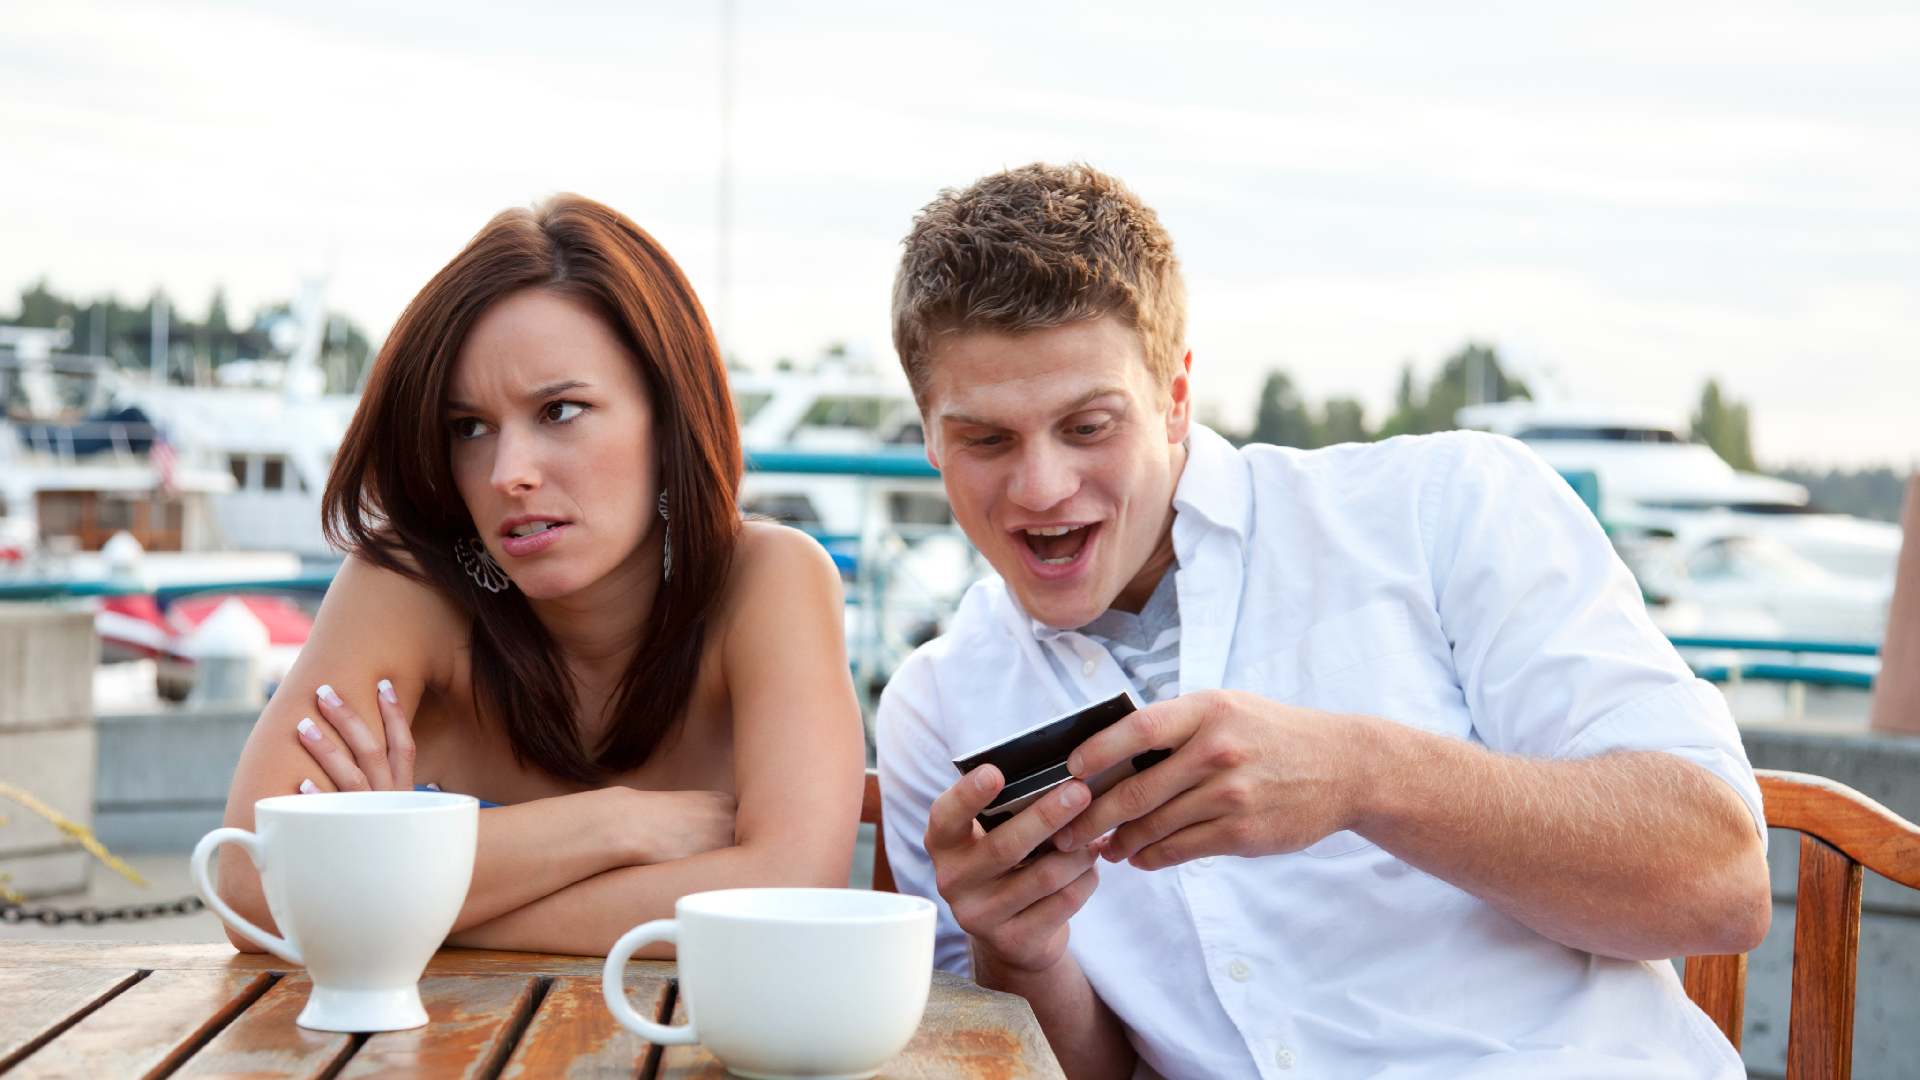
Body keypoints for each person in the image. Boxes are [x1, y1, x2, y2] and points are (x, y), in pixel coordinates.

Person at [875, 163, 1771, 1080]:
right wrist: (1020, 953)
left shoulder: (1444, 507)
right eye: (986, 439)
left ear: (1175, 398)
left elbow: (1721, 883)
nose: (1041, 488)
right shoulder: (938, 706)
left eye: (1089, 426)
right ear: (932, 434)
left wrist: (1362, 775)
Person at [215, 194, 865, 957]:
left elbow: (791, 892)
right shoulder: (406, 590)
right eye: (470, 428)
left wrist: (393, 899)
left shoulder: (768, 581)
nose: (506, 474)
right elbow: (251, 886)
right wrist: (612, 824)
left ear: (668, 417)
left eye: (559, 411)